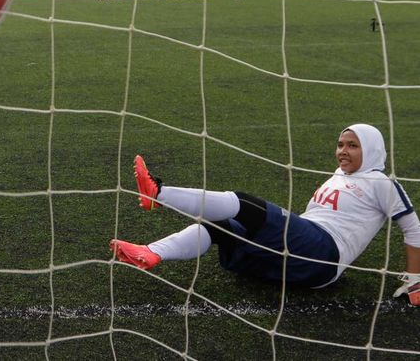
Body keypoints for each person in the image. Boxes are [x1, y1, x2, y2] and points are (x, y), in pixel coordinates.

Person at [110, 124, 420, 303]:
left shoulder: (380, 181)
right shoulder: (339, 175)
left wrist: (415, 281)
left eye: (353, 145)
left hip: (324, 253)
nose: (342, 150)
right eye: (340, 144)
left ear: (373, 150)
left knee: (247, 205)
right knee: (221, 225)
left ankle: (158, 194)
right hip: (296, 259)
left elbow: (413, 228)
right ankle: (151, 253)